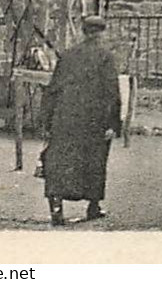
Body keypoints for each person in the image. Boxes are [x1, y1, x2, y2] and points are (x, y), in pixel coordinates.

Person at [41, 15, 121, 225]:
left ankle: (56, 208)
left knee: (61, 161)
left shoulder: (67, 56)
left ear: (83, 32)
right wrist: (113, 123)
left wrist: (47, 120)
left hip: (65, 117)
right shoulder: (105, 57)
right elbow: (111, 92)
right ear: (102, 33)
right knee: (94, 161)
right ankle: (93, 206)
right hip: (93, 119)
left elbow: (53, 89)